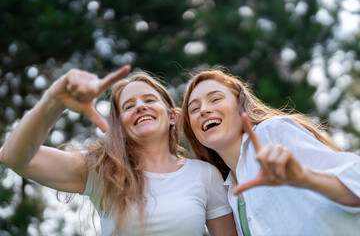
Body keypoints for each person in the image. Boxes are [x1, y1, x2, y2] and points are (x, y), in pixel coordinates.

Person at [0, 66, 238, 236]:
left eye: (149, 100)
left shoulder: (204, 175)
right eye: (129, 106)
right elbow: (13, 157)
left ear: (172, 116)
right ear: (120, 126)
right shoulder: (102, 169)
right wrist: (54, 101)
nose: (141, 106)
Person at [181, 69, 360, 236]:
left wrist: (305, 177)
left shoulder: (271, 133)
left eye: (215, 99)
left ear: (241, 105)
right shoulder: (228, 189)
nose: (204, 110)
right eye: (194, 109)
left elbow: (356, 182)